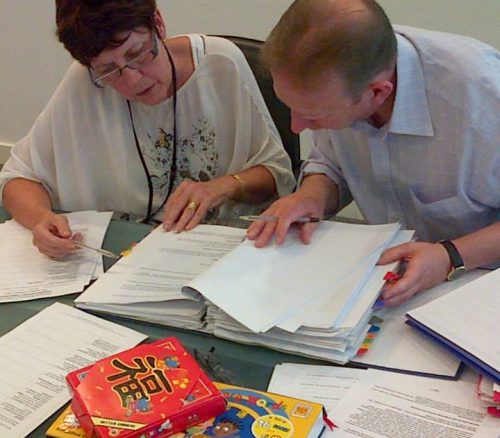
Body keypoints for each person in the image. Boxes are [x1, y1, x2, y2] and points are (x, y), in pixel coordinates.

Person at [247, 0, 500, 306]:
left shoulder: (482, 95)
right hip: (383, 278)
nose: (297, 127)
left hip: (479, 285)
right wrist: (312, 196)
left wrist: (451, 256)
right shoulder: (333, 75)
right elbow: (331, 164)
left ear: (378, 92)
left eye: (312, 116)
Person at [0, 0, 295, 259]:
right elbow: (17, 178)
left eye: (137, 54)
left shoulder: (219, 64)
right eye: (108, 70)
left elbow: (277, 173)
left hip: (217, 252)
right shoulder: (86, 82)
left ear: (158, 24)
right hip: (126, 254)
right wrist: (41, 220)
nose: (132, 81)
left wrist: (223, 186)